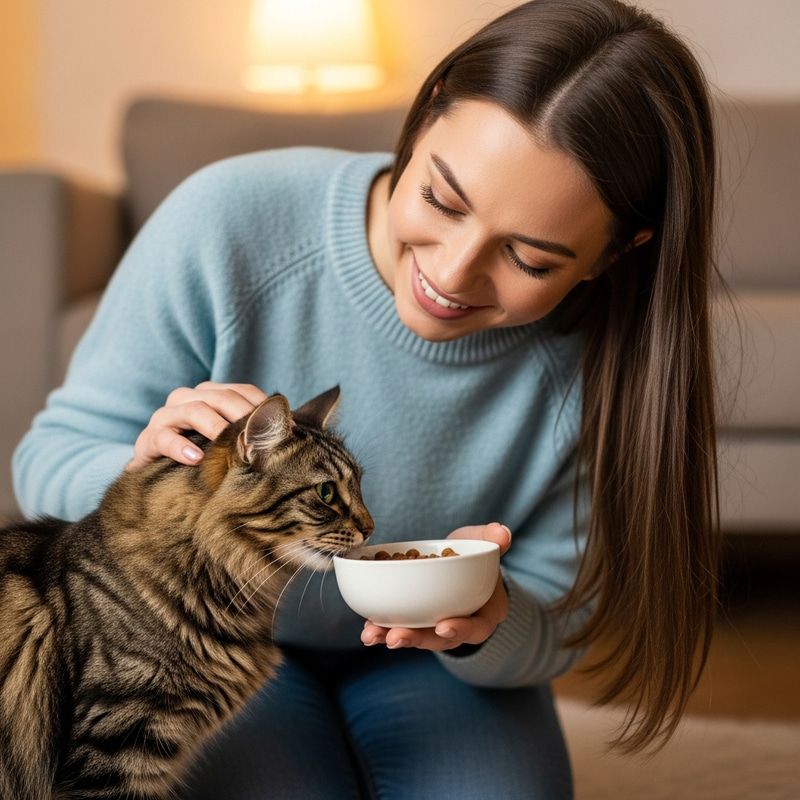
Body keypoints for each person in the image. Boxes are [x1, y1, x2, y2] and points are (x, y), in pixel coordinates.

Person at [13, 0, 722, 796]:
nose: (450, 277)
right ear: (426, 111)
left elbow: (563, 625)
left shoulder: (613, 362)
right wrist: (144, 476)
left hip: (435, 668)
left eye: (528, 258)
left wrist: (489, 622)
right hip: (199, 636)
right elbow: (48, 461)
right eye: (443, 200)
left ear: (614, 253)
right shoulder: (227, 216)